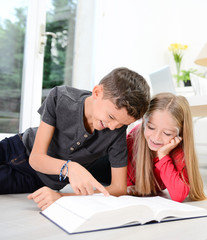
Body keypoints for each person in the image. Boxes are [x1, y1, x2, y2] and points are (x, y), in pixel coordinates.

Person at [0, 67, 150, 210]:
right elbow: (36, 158)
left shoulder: (116, 131)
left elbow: (118, 188)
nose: (113, 127)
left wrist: (63, 197)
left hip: (38, 180)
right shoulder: (61, 97)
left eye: (122, 124)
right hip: (18, 147)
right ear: (97, 92)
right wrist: (70, 167)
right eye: (111, 117)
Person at [126, 92, 207, 202]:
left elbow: (178, 196)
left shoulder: (178, 152)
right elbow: (120, 176)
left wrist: (163, 155)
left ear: (180, 134)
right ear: (144, 121)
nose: (156, 137)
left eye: (167, 133)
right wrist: (129, 188)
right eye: (151, 127)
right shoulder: (134, 137)